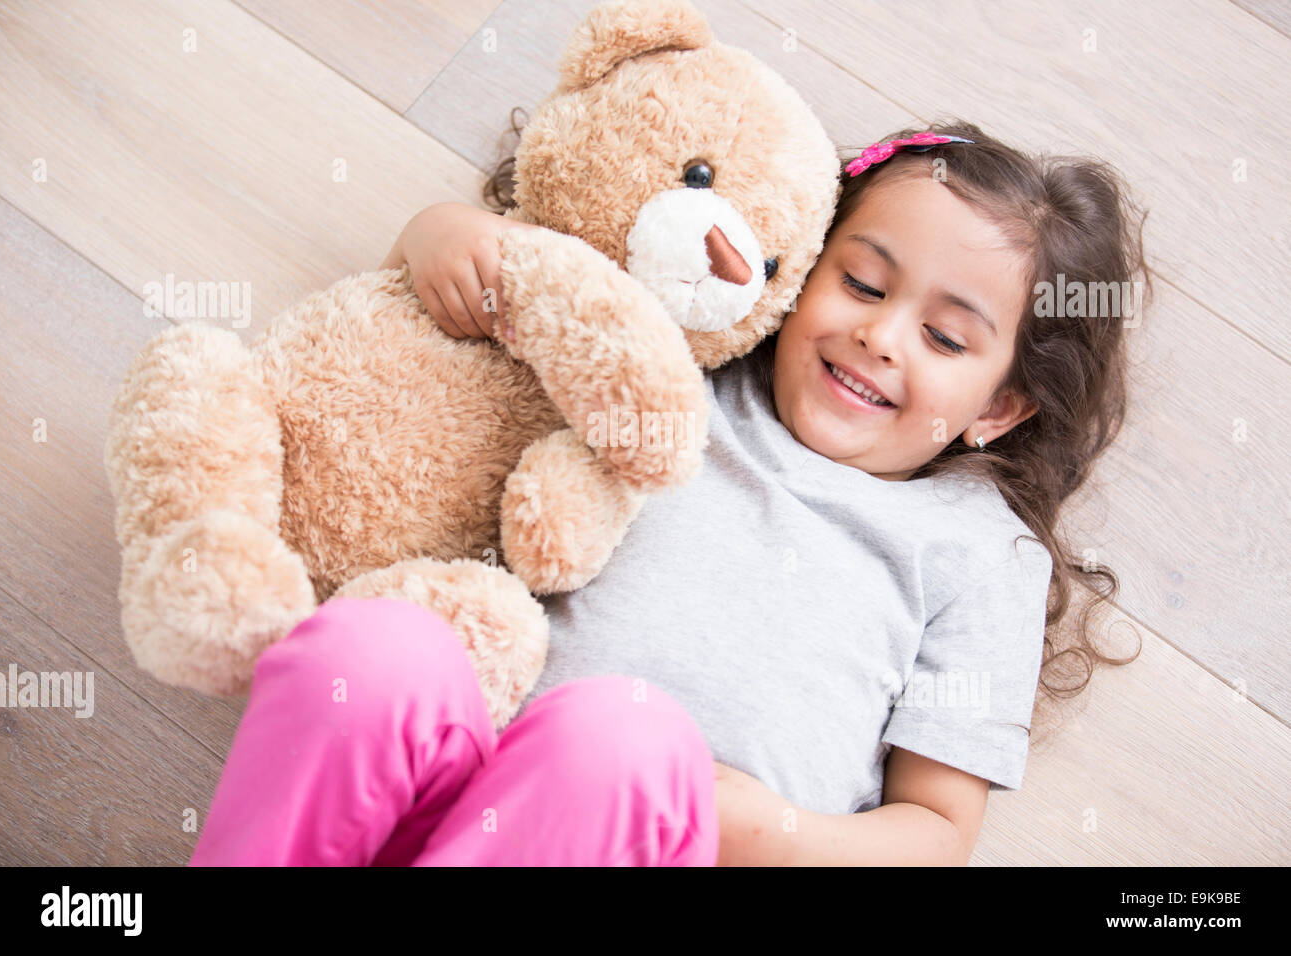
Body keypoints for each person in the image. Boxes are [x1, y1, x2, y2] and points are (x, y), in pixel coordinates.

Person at [189, 120, 1147, 867]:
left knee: (622, 739)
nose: (883, 337)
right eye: (860, 283)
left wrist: (753, 825)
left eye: (945, 339)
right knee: (376, 647)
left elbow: (935, 833)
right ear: (800, 265)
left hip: (677, 839)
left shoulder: (980, 553)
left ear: (1004, 406)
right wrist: (442, 236)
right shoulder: (684, 365)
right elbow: (532, 284)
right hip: (451, 800)